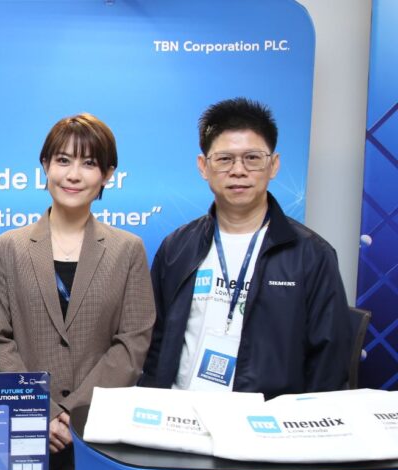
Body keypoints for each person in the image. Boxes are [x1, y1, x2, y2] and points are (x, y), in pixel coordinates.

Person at [0, 113, 155, 470]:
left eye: (89, 163)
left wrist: (72, 413)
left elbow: (132, 343)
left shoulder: (128, 250)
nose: (73, 174)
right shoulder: (7, 248)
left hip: (97, 434)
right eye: (63, 160)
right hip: (24, 432)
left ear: (107, 175)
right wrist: (39, 412)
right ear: (45, 166)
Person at [141, 97, 351, 395]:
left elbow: (328, 363)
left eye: (252, 158)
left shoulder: (311, 254)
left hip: (265, 419)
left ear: (273, 165)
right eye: (224, 159)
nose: (238, 170)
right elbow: (155, 342)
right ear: (203, 166)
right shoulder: (176, 248)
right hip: (181, 413)